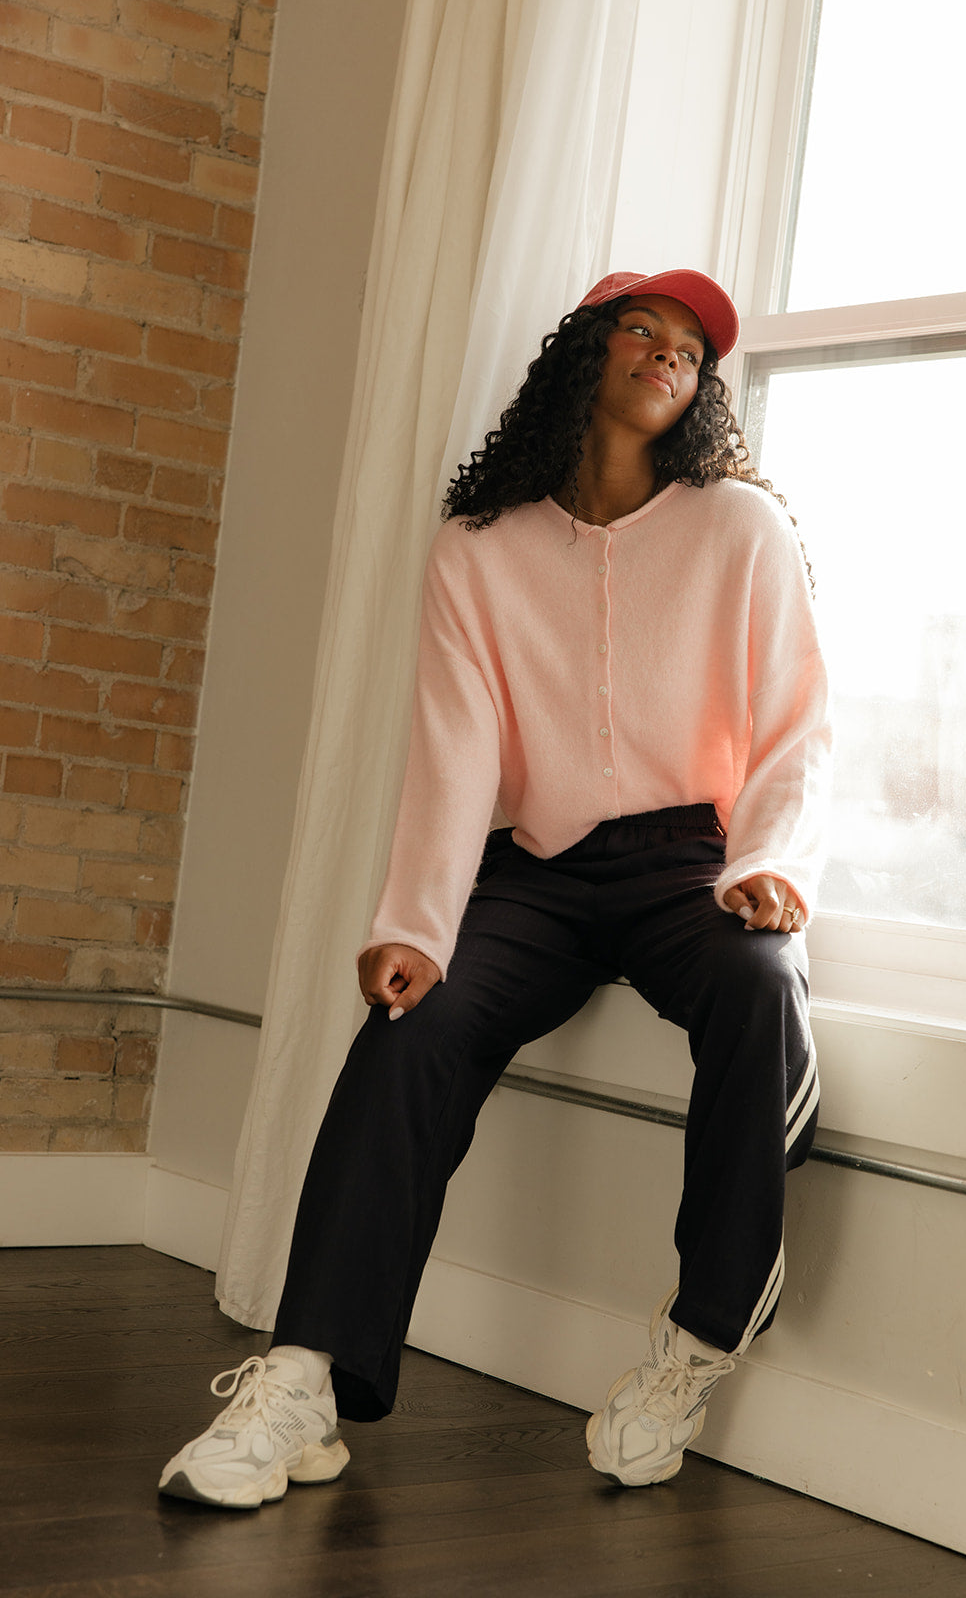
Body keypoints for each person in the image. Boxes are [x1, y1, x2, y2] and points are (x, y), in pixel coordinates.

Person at [159, 267, 831, 1509]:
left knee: (759, 984)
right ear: (581, 354)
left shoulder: (739, 526)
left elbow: (793, 721)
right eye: (643, 327)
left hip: (696, 864)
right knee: (411, 1028)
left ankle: (694, 1343)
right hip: (542, 870)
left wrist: (768, 867)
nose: (669, 353)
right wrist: (411, 923)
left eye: (692, 347)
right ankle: (305, 1380)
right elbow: (455, 749)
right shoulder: (478, 547)